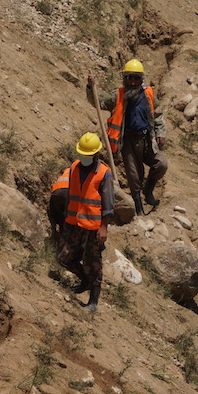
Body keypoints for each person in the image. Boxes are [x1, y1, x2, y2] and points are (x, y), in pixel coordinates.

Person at [88, 59, 167, 216]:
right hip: (128, 141)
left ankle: (149, 189)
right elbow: (97, 102)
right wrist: (91, 87)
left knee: (161, 164)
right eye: (129, 77)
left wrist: (161, 134)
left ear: (141, 80)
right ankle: (138, 207)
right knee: (133, 175)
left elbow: (158, 115)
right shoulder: (117, 96)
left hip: (146, 139)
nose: (132, 82)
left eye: (136, 78)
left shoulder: (148, 94)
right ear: (124, 78)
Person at [52, 133, 115, 313]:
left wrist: (103, 227)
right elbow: (71, 194)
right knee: (62, 257)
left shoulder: (104, 174)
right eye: (82, 154)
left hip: (93, 227)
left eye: (87, 155)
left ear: (95, 155)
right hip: (73, 222)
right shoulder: (74, 167)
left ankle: (93, 302)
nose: (84, 158)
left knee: (93, 264)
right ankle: (85, 281)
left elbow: (109, 205)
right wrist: (66, 217)